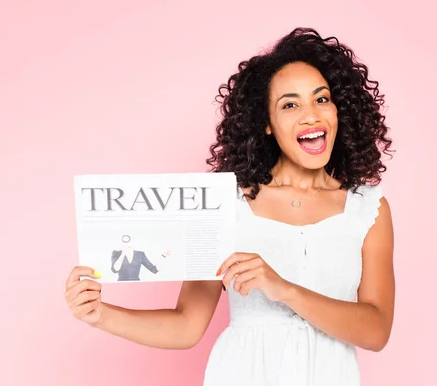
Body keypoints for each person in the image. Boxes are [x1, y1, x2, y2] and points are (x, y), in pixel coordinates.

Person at [64, 27, 395, 385]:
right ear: (267, 124)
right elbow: (187, 325)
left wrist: (283, 289)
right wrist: (100, 314)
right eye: (289, 104)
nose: (311, 115)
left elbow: (376, 330)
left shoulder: (367, 211)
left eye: (321, 99)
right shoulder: (226, 205)